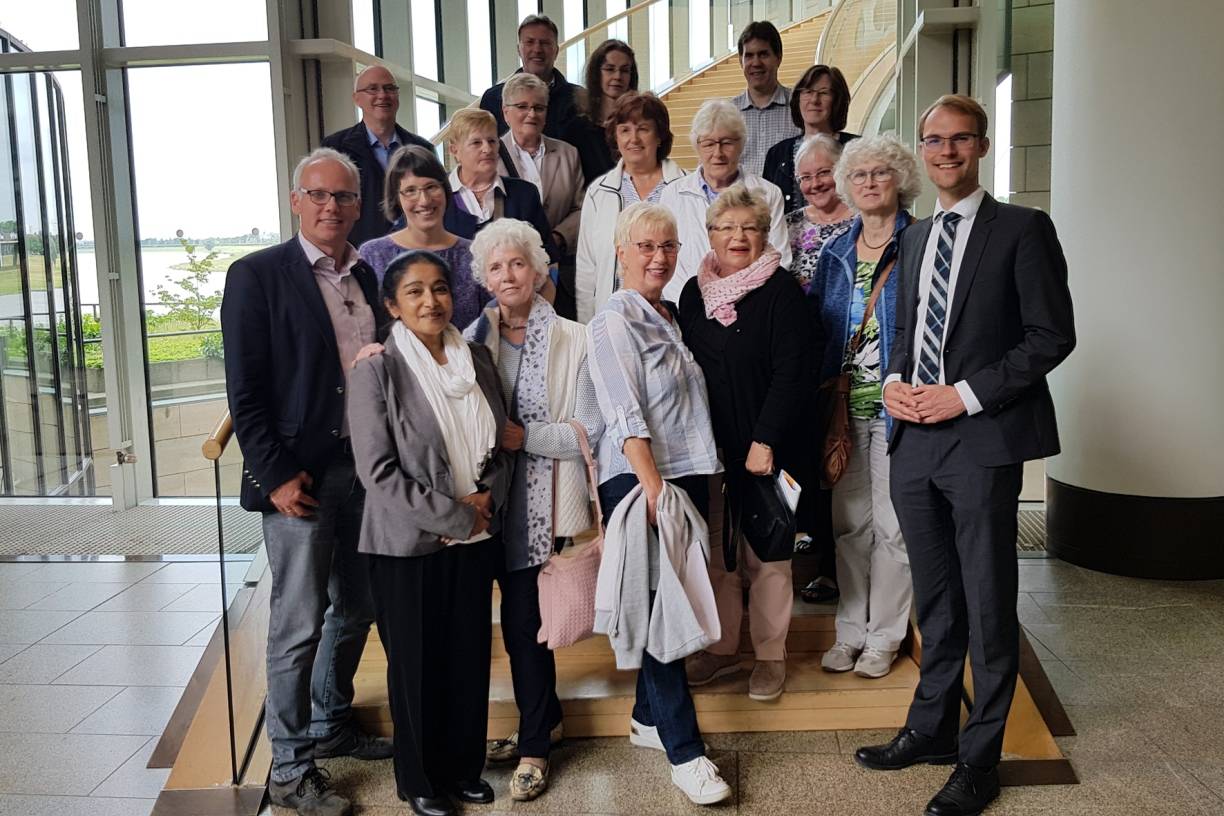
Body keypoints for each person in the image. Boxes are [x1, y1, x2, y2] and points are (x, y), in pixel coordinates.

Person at [855, 95, 1075, 816]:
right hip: (914, 438)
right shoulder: (916, 238)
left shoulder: (1022, 229)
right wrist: (892, 383)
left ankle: (982, 759)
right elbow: (907, 326)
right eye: (934, 140)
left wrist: (967, 396)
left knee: (987, 600)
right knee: (938, 597)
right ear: (922, 150)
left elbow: (1050, 336)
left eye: (959, 140)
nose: (945, 151)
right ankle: (932, 729)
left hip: (981, 437)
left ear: (980, 146)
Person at [221, 147, 393, 816]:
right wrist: (274, 477)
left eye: (343, 197)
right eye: (318, 195)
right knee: (295, 627)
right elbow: (245, 390)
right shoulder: (258, 275)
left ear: (357, 206)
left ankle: (331, 723)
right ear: (296, 201)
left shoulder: (365, 274)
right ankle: (290, 770)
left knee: (357, 606)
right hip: (299, 480)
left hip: (363, 470)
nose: (331, 207)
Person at [348, 250, 513, 816]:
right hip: (407, 546)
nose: (430, 301)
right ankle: (419, 779)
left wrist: (489, 497)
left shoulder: (480, 360)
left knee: (467, 657)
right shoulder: (376, 370)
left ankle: (463, 769)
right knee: (416, 667)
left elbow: (499, 442)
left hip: (475, 538)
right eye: (414, 292)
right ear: (392, 306)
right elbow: (378, 472)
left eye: (439, 288)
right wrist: (457, 515)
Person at [588, 201, 731, 806]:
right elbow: (624, 411)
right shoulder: (613, 320)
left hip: (685, 474)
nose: (659, 257)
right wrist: (651, 487)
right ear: (620, 252)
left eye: (669, 246)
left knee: (668, 601)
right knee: (658, 610)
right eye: (645, 246)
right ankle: (685, 752)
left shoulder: (667, 314)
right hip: (644, 478)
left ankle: (647, 719)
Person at [462, 219, 604, 802]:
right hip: (479, 508)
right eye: (495, 267)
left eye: (517, 263)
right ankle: (537, 720)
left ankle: (536, 749)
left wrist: (529, 438)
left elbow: (591, 431)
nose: (507, 275)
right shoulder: (469, 341)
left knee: (526, 629)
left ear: (539, 269)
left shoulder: (577, 338)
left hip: (538, 510)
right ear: (484, 279)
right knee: (478, 631)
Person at [677, 186, 809, 702]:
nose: (737, 237)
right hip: (708, 448)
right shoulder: (693, 292)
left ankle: (771, 656)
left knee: (767, 555)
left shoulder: (782, 292)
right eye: (726, 228)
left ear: (764, 234)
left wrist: (766, 440)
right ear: (709, 235)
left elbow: (791, 373)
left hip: (764, 449)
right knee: (718, 552)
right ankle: (723, 647)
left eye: (749, 228)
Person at [809, 134, 919, 680]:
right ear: (847, 187)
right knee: (849, 525)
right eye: (859, 175)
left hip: (900, 409)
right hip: (844, 412)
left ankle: (885, 637)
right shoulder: (833, 253)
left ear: (900, 179)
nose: (870, 182)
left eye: (880, 173)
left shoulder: (920, 243)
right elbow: (819, 330)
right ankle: (849, 632)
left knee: (894, 528)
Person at [659, 98, 789, 303]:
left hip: (751, 309)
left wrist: (736, 301)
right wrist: (690, 304)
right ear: (697, 146)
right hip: (687, 309)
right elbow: (665, 257)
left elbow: (779, 257)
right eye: (709, 144)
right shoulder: (672, 195)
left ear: (741, 144)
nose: (718, 153)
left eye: (727, 142)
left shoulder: (768, 193)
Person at [575, 91, 686, 322]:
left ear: (659, 136)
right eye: (625, 130)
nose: (633, 139)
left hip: (671, 317)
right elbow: (587, 269)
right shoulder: (598, 192)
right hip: (614, 319)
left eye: (643, 129)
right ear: (615, 137)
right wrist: (589, 327)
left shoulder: (685, 187)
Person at [357, 145, 491, 329]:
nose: (424, 200)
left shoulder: (475, 254)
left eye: (431, 187)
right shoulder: (373, 255)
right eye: (411, 190)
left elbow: (491, 322)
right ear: (396, 197)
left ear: (445, 190)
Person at [497, 72, 585, 319]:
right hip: (509, 277)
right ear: (506, 112)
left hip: (558, 274)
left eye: (539, 107)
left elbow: (581, 208)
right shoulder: (490, 157)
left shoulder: (568, 154)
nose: (532, 114)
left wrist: (557, 238)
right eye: (522, 106)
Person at [322, 65, 434, 248]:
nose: (382, 95)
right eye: (373, 89)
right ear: (356, 99)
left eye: (389, 88)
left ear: (397, 97)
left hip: (413, 255)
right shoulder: (335, 149)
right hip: (356, 257)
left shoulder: (422, 149)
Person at [442, 108, 559, 268]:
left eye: (492, 141)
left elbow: (548, 256)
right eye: (476, 142)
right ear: (454, 150)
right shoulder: (435, 195)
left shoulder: (524, 194)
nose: (487, 149)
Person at [763, 65, 858, 213]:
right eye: (808, 92)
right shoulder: (777, 153)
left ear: (837, 100)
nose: (814, 100)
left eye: (824, 93)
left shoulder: (857, 149)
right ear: (798, 99)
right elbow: (766, 210)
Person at [479, 14, 584, 141]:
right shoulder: (493, 98)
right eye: (530, 42)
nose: (537, 49)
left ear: (556, 51)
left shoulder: (579, 99)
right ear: (519, 50)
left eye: (545, 43)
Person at [786, 134, 855, 293]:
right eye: (806, 177)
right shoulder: (788, 225)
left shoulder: (864, 221)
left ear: (842, 170)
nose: (815, 184)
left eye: (823, 172)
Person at [564, 39, 638, 184]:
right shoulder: (576, 128)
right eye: (610, 69)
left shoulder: (639, 125)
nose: (617, 76)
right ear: (597, 74)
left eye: (624, 70)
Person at [732, 21, 801, 176]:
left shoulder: (799, 107)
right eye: (749, 56)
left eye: (763, 54)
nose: (756, 63)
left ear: (778, 57)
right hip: (740, 199)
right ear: (740, 61)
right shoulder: (727, 114)